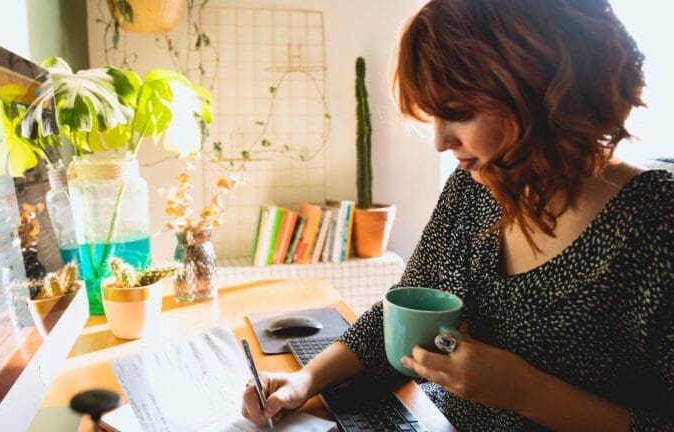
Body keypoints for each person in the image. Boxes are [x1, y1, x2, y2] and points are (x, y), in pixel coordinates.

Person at [241, 0, 674, 430]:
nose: (439, 141)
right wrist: (303, 381)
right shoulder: (475, 186)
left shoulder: (656, 223)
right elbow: (403, 309)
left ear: (541, 92)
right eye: (434, 115)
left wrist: (524, 391)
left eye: (459, 113)